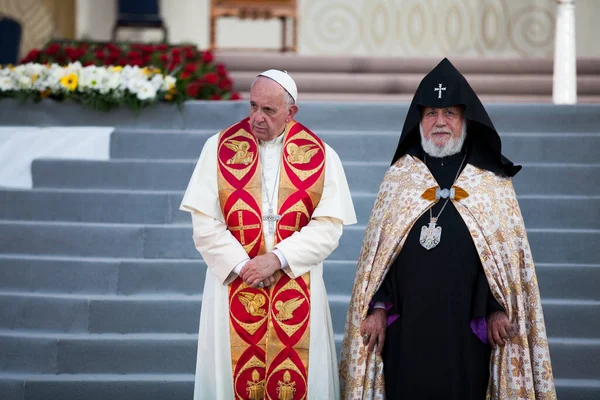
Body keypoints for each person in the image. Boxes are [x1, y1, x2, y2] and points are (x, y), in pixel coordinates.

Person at [338, 58, 556, 399]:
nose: (440, 122)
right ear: (419, 121)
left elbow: (503, 262)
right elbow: (380, 260)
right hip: (407, 331)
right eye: (431, 114)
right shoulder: (400, 179)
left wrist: (497, 309)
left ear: (465, 120)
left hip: (468, 331)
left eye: (449, 113)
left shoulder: (490, 183)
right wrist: (378, 308)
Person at [180, 69, 357, 400]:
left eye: (268, 110)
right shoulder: (217, 148)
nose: (256, 118)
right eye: (252, 106)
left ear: (291, 112)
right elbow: (205, 224)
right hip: (235, 283)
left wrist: (277, 259)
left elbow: (328, 227)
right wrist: (244, 266)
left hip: (293, 280)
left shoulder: (321, 156)